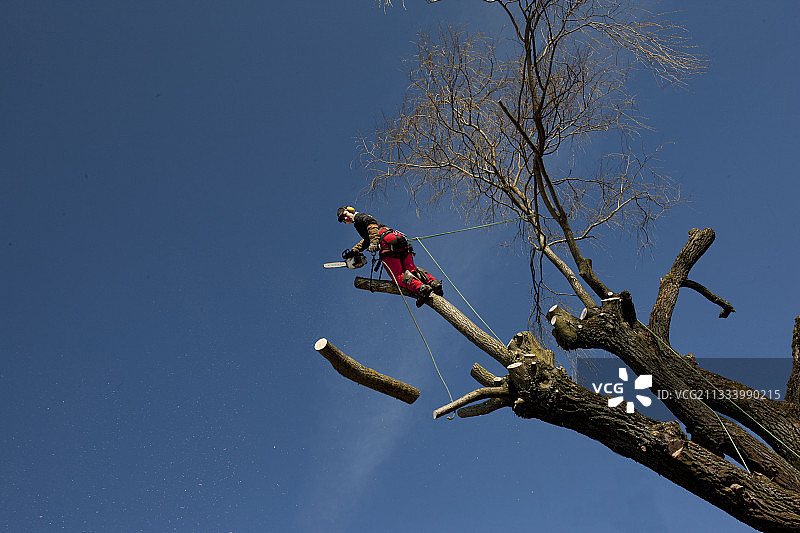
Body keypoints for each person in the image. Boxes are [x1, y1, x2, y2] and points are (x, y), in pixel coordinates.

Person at [337, 206, 443, 305]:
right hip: (397, 238)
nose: (345, 218)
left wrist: (374, 242)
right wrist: (354, 251)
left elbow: (371, 225)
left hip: (386, 241)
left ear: (350, 210)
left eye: (345, 215)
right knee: (411, 269)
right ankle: (433, 283)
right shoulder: (360, 220)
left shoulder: (359, 218)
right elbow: (366, 241)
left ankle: (422, 288)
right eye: (343, 219)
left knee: (398, 276)